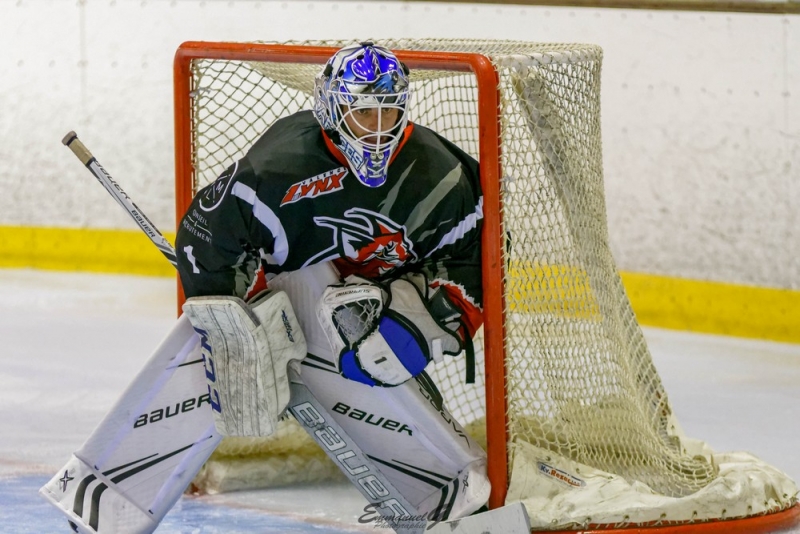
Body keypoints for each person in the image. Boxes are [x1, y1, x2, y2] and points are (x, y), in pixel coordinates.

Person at [176, 42, 488, 522]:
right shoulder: (277, 168)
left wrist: (423, 312)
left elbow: (479, 255)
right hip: (295, 287)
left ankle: (444, 482)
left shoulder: (441, 173)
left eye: (389, 114)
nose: (378, 131)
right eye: (363, 113)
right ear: (331, 107)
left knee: (383, 355)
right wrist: (236, 323)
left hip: (388, 290)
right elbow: (206, 236)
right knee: (239, 356)